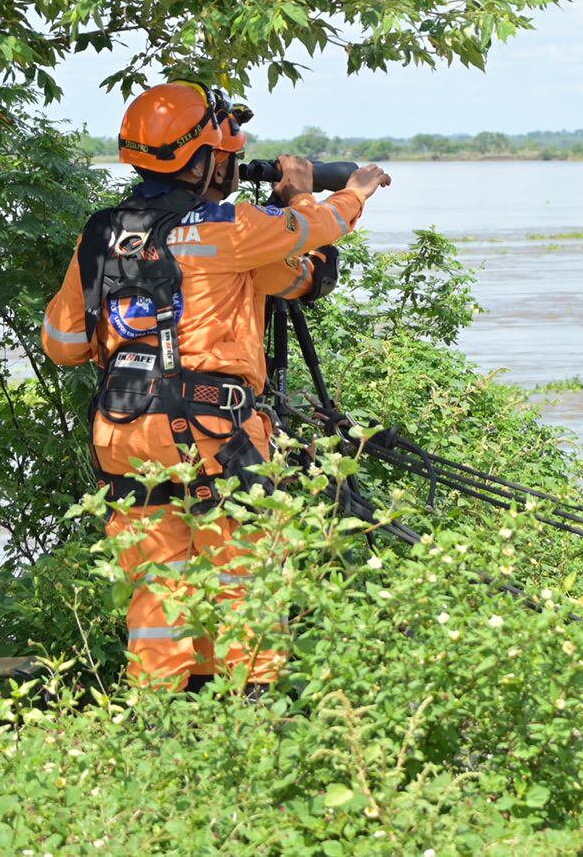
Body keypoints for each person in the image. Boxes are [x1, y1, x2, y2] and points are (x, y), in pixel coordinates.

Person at [40, 80, 391, 692]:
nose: (230, 170)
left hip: (124, 432)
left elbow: (64, 346)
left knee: (157, 592)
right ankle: (249, 717)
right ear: (203, 159)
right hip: (215, 432)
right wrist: (341, 189)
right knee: (246, 580)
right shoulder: (229, 226)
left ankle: (163, 720)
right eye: (226, 158)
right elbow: (314, 232)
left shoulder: (100, 234)